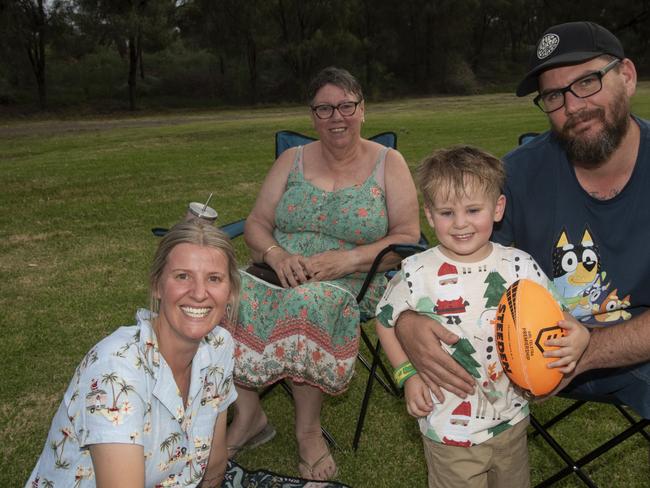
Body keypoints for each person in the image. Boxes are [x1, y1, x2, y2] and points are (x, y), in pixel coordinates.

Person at [395, 21, 650, 422]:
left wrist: (587, 350)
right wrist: (410, 321)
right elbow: (451, 265)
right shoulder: (514, 177)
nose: (572, 106)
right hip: (522, 354)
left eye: (587, 82)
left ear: (627, 76)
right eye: (553, 95)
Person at [224, 66, 420, 480]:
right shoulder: (290, 160)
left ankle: (308, 432)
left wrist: (345, 261)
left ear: (363, 109)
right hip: (277, 272)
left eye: (347, 106)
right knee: (220, 294)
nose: (337, 117)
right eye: (325, 108)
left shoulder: (390, 162)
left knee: (307, 302)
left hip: (354, 280)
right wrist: (276, 255)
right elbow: (257, 222)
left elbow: (406, 237)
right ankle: (248, 414)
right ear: (312, 115)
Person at [375, 145, 590, 487]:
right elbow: (385, 320)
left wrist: (580, 333)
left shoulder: (519, 265)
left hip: (512, 417)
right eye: (446, 213)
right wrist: (408, 374)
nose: (460, 224)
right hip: (447, 426)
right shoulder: (417, 271)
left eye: (473, 209)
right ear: (429, 215)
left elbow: (558, 313)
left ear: (497, 208)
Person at [26, 221, 240, 488]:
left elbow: (215, 461)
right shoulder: (116, 371)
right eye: (182, 276)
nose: (199, 293)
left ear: (229, 292)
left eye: (214, 278)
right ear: (157, 286)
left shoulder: (219, 346)